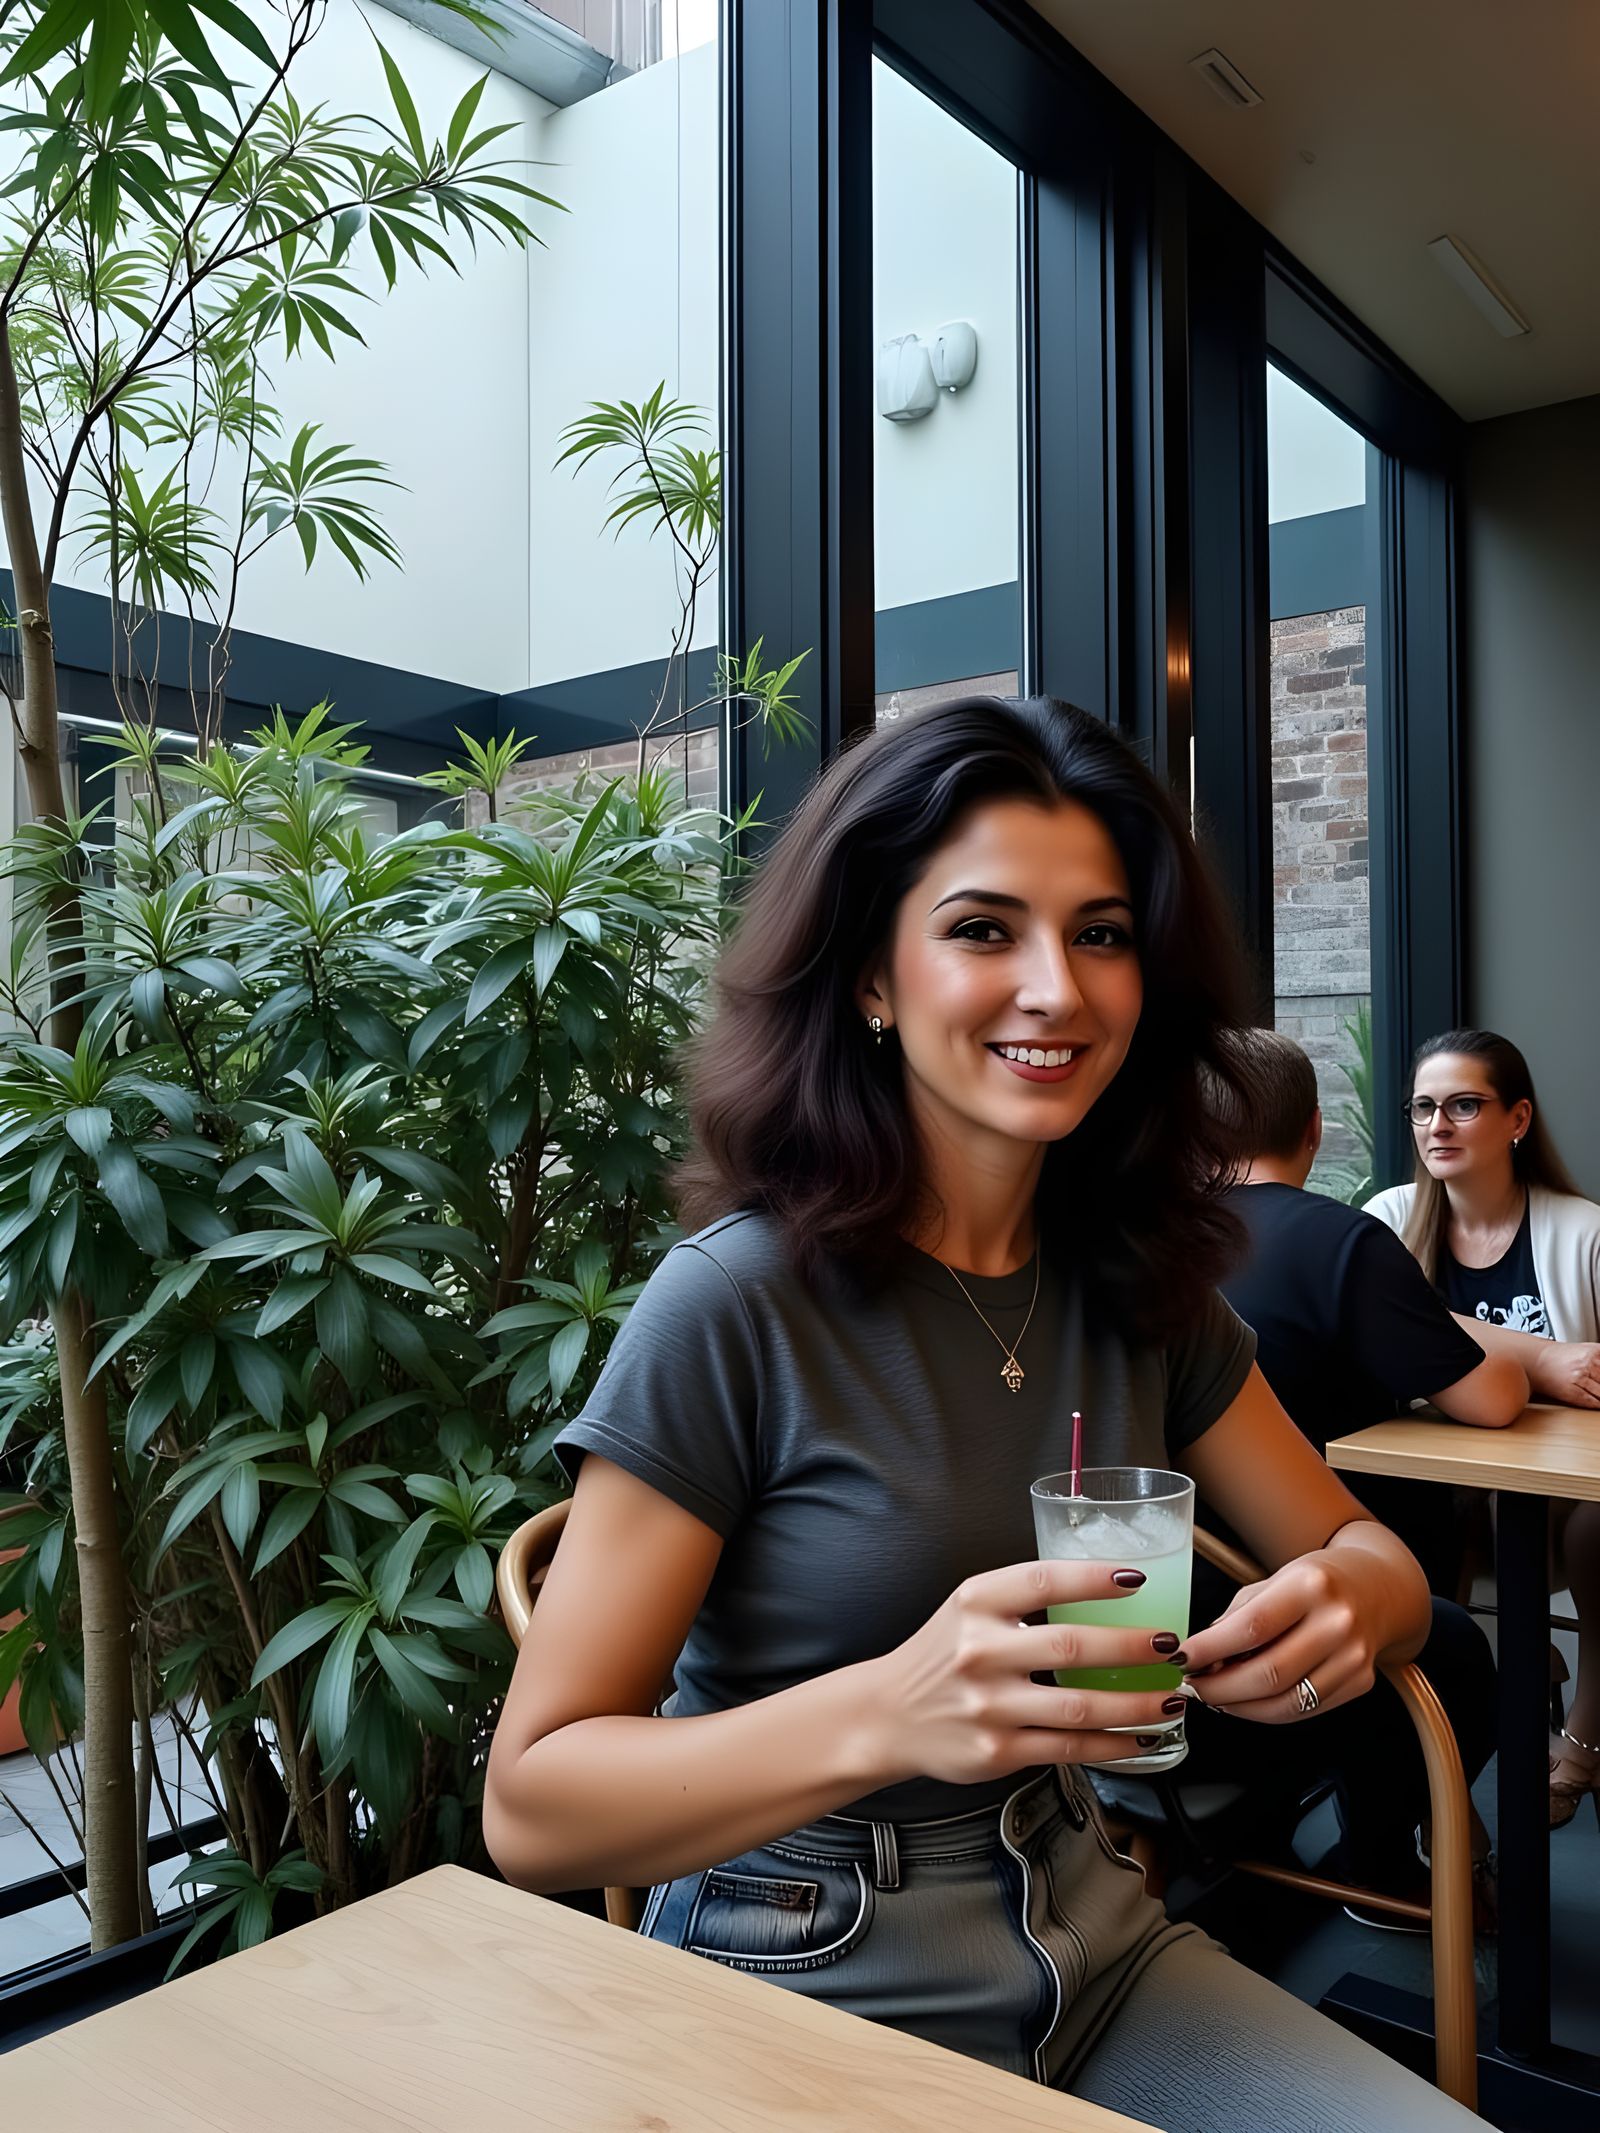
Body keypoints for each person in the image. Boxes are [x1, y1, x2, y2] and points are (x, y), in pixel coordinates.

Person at [485, 696, 1485, 2129]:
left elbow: (1359, 1546)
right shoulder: (733, 1305)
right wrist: (894, 1707)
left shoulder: (1145, 1289)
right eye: (980, 929)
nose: (1057, 991)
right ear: (872, 982)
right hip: (798, 1968)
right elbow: (532, 1805)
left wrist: (1351, 1602)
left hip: (1098, 1931)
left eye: (1100, 933)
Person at [1185, 1026, 1520, 1920]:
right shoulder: (1337, 1239)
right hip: (1297, 1650)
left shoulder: (1143, 1253)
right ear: (1314, 1132)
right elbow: (1490, 1398)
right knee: (1456, 1647)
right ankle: (1376, 1851)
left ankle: (1254, 1841)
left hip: (1142, 1644)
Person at [1366, 1030, 1600, 1831]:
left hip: (1556, 1503)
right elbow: (1373, 1335)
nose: (1440, 1124)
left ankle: (1583, 1737)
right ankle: (1444, 1782)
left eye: (1465, 1104)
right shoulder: (1388, 1219)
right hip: (1437, 1487)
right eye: (1425, 1107)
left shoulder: (1583, 1230)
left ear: (1518, 1118)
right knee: (1401, 1522)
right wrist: (1539, 1359)